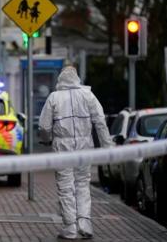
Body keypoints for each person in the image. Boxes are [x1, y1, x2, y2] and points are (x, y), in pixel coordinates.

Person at [38, 66, 113, 240]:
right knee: (82, 184)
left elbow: (44, 126)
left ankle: (70, 227)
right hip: (85, 145)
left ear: (60, 79)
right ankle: (84, 223)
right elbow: (100, 121)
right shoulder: (88, 95)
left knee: (65, 186)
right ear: (77, 78)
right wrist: (108, 147)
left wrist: (46, 138)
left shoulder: (54, 97)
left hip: (62, 147)